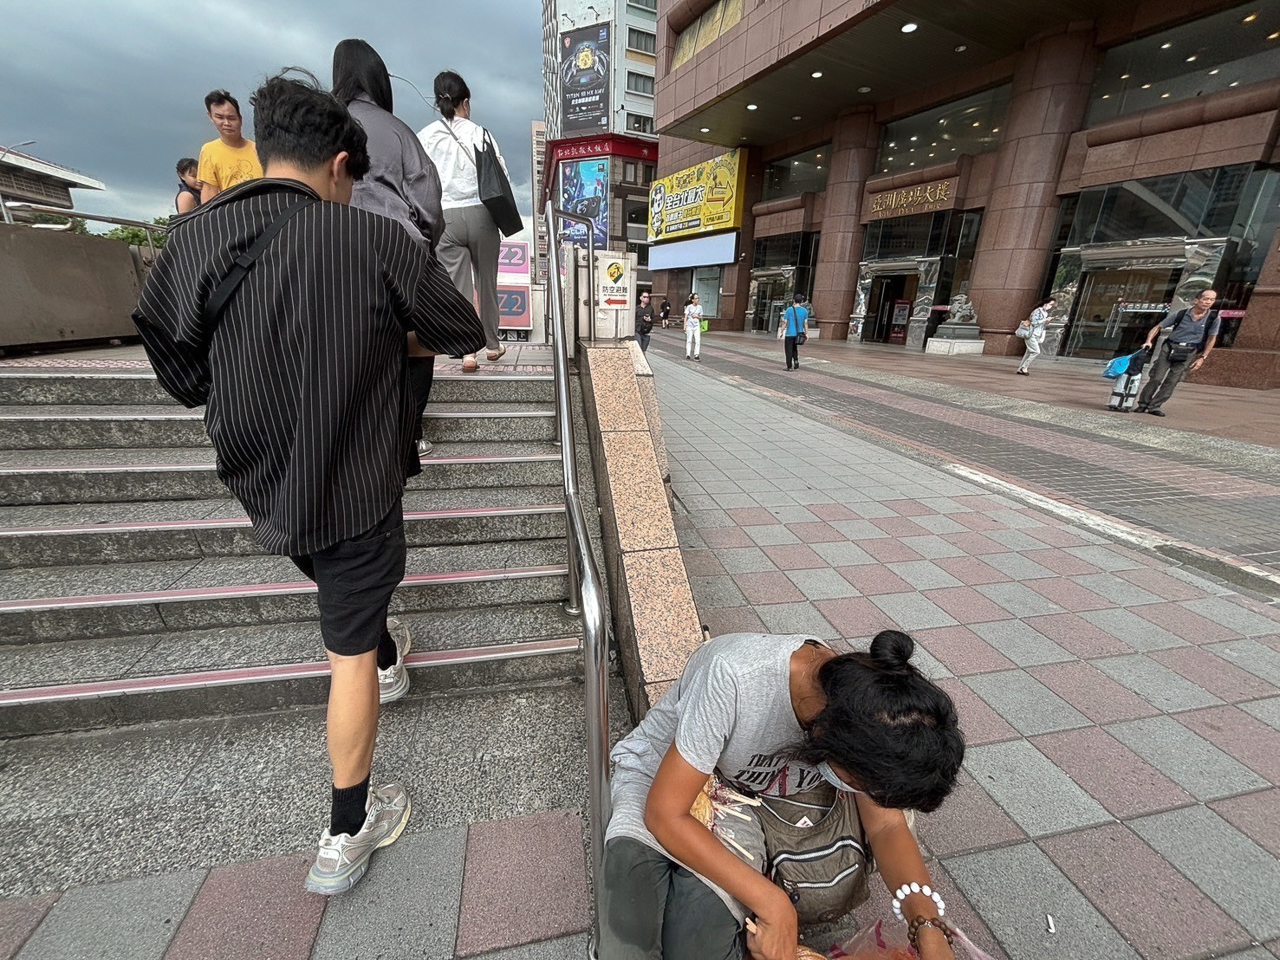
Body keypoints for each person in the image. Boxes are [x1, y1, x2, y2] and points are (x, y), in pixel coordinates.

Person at [132, 72, 485, 896]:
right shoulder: (371, 240)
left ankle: (387, 652)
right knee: (348, 652)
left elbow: (181, 377)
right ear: (337, 164)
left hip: (264, 480)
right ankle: (345, 830)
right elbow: (461, 328)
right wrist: (374, 340)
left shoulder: (191, 241)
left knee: (348, 598)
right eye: (352, 181)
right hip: (355, 477)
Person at [601, 630, 964, 960]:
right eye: (866, 786)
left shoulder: (863, 715)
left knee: (696, 943)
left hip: (755, 800)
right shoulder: (735, 675)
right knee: (627, 937)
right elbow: (665, 814)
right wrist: (776, 905)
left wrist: (927, 924)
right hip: (671, 779)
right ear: (832, 742)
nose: (870, 797)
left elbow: (886, 827)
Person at [333, 38, 445, 457]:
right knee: (418, 339)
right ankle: (408, 432)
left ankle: (351, 432)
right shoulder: (398, 130)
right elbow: (429, 205)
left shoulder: (324, 122)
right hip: (398, 250)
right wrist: (423, 249)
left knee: (346, 340)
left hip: (330, 249)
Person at [419, 71, 511, 373]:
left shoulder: (425, 136)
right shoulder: (480, 133)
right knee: (487, 281)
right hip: (481, 213)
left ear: (437, 101)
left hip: (446, 217)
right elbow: (502, 176)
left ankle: (468, 353)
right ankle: (493, 346)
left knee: (458, 287)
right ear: (466, 102)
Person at [1135, 289, 1220, 417]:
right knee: (1156, 377)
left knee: (1172, 381)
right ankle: (1143, 404)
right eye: (1205, 299)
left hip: (1189, 351)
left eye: (1212, 300)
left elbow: (1211, 338)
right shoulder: (1181, 314)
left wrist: (1203, 357)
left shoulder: (1214, 318)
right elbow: (1158, 327)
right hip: (1170, 347)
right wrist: (1148, 341)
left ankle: (1155, 406)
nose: (1208, 302)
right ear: (1196, 300)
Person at [197, 89, 263, 203]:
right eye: (219, 117)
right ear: (211, 117)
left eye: (231, 118)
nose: (226, 123)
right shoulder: (209, 151)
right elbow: (209, 192)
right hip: (232, 213)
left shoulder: (259, 149)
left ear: (240, 119)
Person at [1015, 297, 1055, 375]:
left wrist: (1047, 321)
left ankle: (1020, 369)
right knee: (1036, 351)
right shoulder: (1037, 311)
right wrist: (1045, 320)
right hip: (1031, 334)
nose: (1051, 306)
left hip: (1037, 334)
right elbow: (1033, 322)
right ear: (1046, 303)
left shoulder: (1045, 313)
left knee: (1029, 352)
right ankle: (1024, 367)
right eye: (1050, 304)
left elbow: (1042, 324)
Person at [779, 293, 809, 371]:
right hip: (799, 333)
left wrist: (781, 331)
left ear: (793, 300)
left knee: (788, 349)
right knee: (794, 348)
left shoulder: (789, 310)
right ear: (801, 301)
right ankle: (796, 360)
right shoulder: (804, 311)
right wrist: (807, 333)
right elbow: (805, 323)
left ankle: (789, 366)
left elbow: (785, 322)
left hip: (790, 333)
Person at [684, 293, 703, 361]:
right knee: (689, 340)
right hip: (689, 325)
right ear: (692, 300)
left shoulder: (700, 307)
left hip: (696, 326)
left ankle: (696, 355)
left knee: (698, 340)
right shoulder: (689, 307)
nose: (697, 300)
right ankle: (688, 354)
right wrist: (685, 326)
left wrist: (697, 316)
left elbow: (701, 317)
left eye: (698, 298)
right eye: (696, 298)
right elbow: (686, 316)